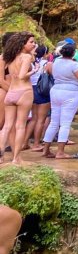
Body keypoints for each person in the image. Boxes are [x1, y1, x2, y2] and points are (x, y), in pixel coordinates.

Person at [40, 42, 78, 159]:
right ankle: (60, 152)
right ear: (73, 53)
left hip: (56, 91)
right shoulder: (74, 65)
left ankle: (46, 150)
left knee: (54, 122)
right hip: (71, 93)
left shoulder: (56, 62)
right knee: (65, 124)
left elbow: (51, 72)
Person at [0, 32, 38, 164]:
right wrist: (35, 70)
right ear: (22, 44)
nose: (34, 44)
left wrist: (32, 52)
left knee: (6, 126)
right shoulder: (25, 57)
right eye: (31, 42)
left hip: (10, 93)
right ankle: (16, 158)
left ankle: (1, 156)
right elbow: (22, 75)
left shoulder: (9, 57)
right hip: (23, 92)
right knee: (20, 126)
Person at [28, 43, 51, 149]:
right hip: (42, 91)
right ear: (45, 53)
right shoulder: (46, 63)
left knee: (33, 118)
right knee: (41, 120)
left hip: (31, 89)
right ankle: (36, 144)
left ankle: (24, 142)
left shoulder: (31, 62)